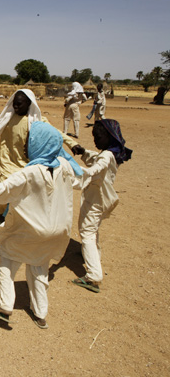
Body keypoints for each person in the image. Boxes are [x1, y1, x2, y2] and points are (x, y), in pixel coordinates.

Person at [0, 122, 83, 329]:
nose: (25, 146)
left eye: (29, 141)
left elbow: (2, 190)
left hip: (29, 230)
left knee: (6, 256)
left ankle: (4, 306)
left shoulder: (28, 173)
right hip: (56, 231)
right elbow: (80, 180)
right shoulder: (65, 167)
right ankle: (40, 313)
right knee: (39, 267)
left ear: (39, 144)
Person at [0, 89, 80, 222]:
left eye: (19, 104)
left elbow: (56, 132)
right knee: (6, 184)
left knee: (25, 190)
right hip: (8, 160)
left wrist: (72, 144)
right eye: (14, 103)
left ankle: (19, 214)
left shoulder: (37, 121)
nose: (16, 106)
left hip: (28, 162)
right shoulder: (7, 119)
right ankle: (2, 215)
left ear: (28, 104)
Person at [71, 119, 132, 293]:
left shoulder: (105, 156)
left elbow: (96, 167)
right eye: (94, 136)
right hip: (101, 199)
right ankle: (92, 256)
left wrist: (71, 168)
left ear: (109, 136)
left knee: (87, 232)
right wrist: (83, 152)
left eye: (98, 136)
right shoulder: (112, 152)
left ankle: (93, 276)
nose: (95, 140)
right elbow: (97, 158)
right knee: (92, 229)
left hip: (96, 200)